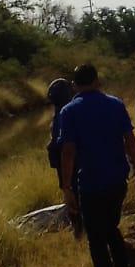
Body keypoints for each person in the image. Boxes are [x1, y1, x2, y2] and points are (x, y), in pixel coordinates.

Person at [58, 64, 135, 267]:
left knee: (97, 240)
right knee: (111, 230)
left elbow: (68, 152)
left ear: (75, 85)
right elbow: (131, 143)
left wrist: (66, 187)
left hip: (90, 183)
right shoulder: (115, 104)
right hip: (117, 181)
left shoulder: (69, 111)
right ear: (97, 81)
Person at [46, 78, 81, 237]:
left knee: (71, 195)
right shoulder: (69, 111)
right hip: (72, 160)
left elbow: (62, 145)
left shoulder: (62, 114)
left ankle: (79, 230)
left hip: (66, 162)